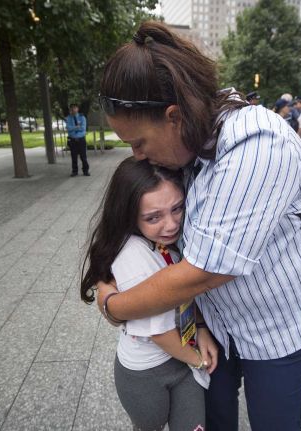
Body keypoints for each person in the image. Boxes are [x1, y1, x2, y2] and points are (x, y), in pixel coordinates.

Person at [94, 21, 301, 431]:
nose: (136, 156)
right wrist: (104, 275)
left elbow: (204, 270)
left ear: (173, 117)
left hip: (277, 325)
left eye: (138, 142)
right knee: (214, 420)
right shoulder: (189, 137)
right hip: (214, 324)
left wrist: (115, 306)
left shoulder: (257, 144)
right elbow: (132, 230)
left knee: (274, 422)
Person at [81, 157, 218, 431]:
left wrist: (200, 328)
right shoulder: (134, 257)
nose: (170, 225)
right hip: (146, 373)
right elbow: (159, 333)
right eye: (153, 217)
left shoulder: (163, 241)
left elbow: (185, 294)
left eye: (177, 208)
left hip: (182, 356)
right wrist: (198, 361)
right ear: (128, 214)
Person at [65, 103, 90, 177]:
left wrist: (73, 128)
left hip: (81, 140)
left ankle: (86, 171)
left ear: (77, 109)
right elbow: (68, 128)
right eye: (72, 108)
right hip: (72, 140)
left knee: (83, 157)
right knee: (74, 157)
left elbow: (83, 128)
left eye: (75, 108)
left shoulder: (82, 117)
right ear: (70, 109)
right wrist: (76, 127)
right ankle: (74, 171)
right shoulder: (68, 118)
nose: (73, 109)